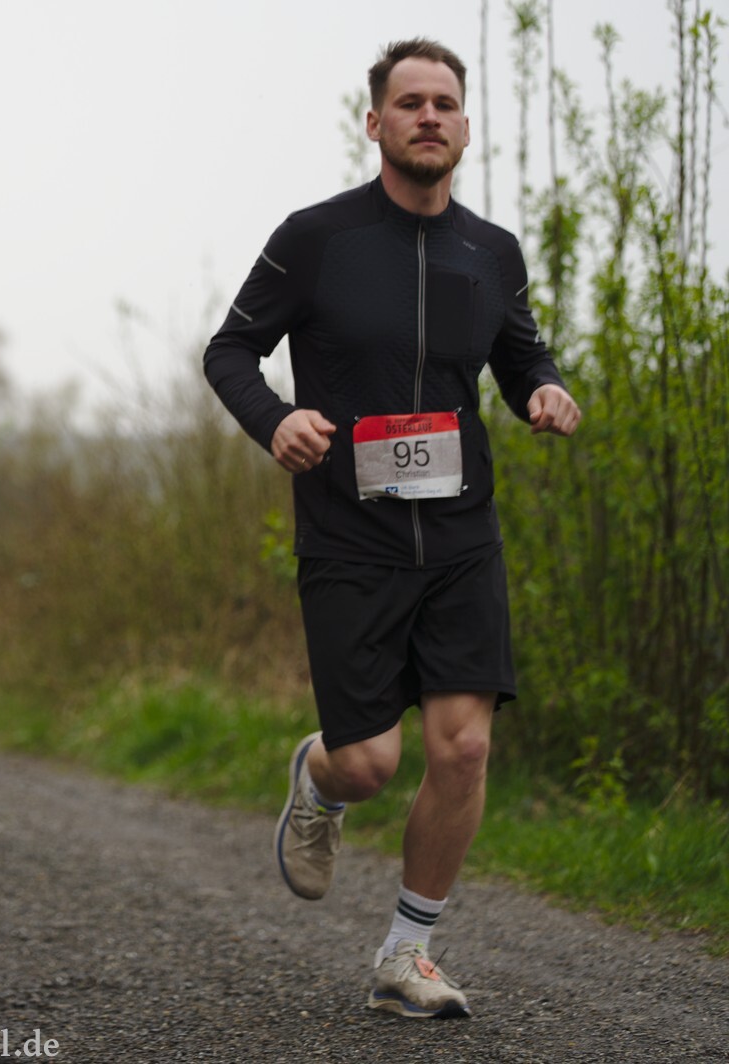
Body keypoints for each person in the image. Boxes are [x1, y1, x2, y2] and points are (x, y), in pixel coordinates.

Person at [202, 38, 581, 1019]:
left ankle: (406, 952)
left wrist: (543, 390)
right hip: (349, 531)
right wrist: (274, 420)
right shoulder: (316, 238)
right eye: (409, 102)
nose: (428, 116)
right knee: (370, 761)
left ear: (465, 125)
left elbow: (520, 356)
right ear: (373, 122)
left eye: (443, 103)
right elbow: (230, 349)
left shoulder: (491, 251)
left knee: (462, 749)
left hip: (460, 534)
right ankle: (319, 777)